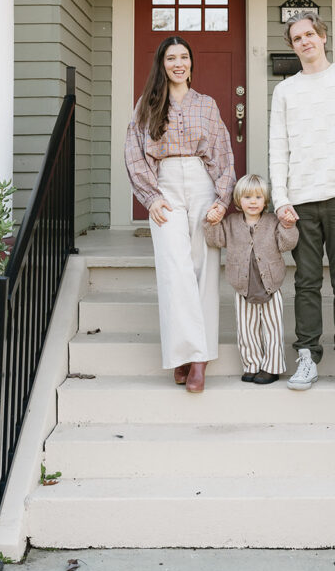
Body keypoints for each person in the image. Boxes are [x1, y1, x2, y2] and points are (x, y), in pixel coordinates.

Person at [269, 12, 335, 393]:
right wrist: (280, 198)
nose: (305, 41)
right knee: (307, 282)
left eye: (310, 34)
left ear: (323, 37)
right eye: (297, 37)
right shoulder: (285, 91)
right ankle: (307, 358)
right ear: (292, 45)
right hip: (300, 202)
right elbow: (278, 147)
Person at [124, 36, 235, 394]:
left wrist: (222, 197)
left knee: (204, 266)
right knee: (175, 268)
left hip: (201, 182)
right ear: (162, 63)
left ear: (191, 63)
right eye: (171, 57)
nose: (178, 63)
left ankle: (198, 358)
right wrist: (150, 196)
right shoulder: (148, 104)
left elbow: (222, 153)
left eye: (183, 57)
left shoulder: (207, 104)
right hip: (166, 185)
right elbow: (134, 153)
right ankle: (183, 352)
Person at [204, 174, 298, 385]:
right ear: (238, 200)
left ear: (265, 200)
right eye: (247, 197)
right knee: (247, 329)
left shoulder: (273, 221)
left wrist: (288, 226)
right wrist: (211, 223)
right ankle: (252, 364)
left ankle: (272, 367)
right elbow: (215, 239)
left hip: (270, 286)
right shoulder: (231, 223)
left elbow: (287, 244)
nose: (253, 201)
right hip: (243, 287)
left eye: (258, 197)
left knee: (272, 328)